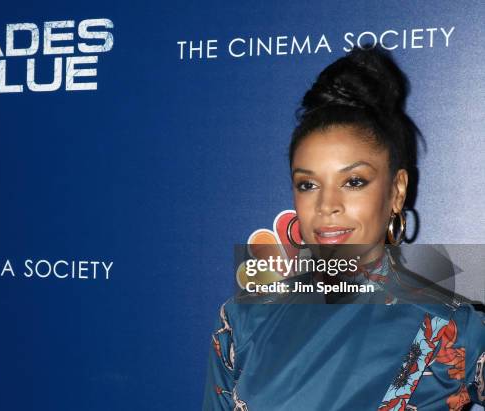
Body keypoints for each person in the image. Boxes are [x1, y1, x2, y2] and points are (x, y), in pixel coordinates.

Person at [202, 46, 485, 410]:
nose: (326, 205)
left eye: (353, 181)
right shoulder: (241, 321)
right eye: (308, 184)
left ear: (397, 191)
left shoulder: (448, 327)